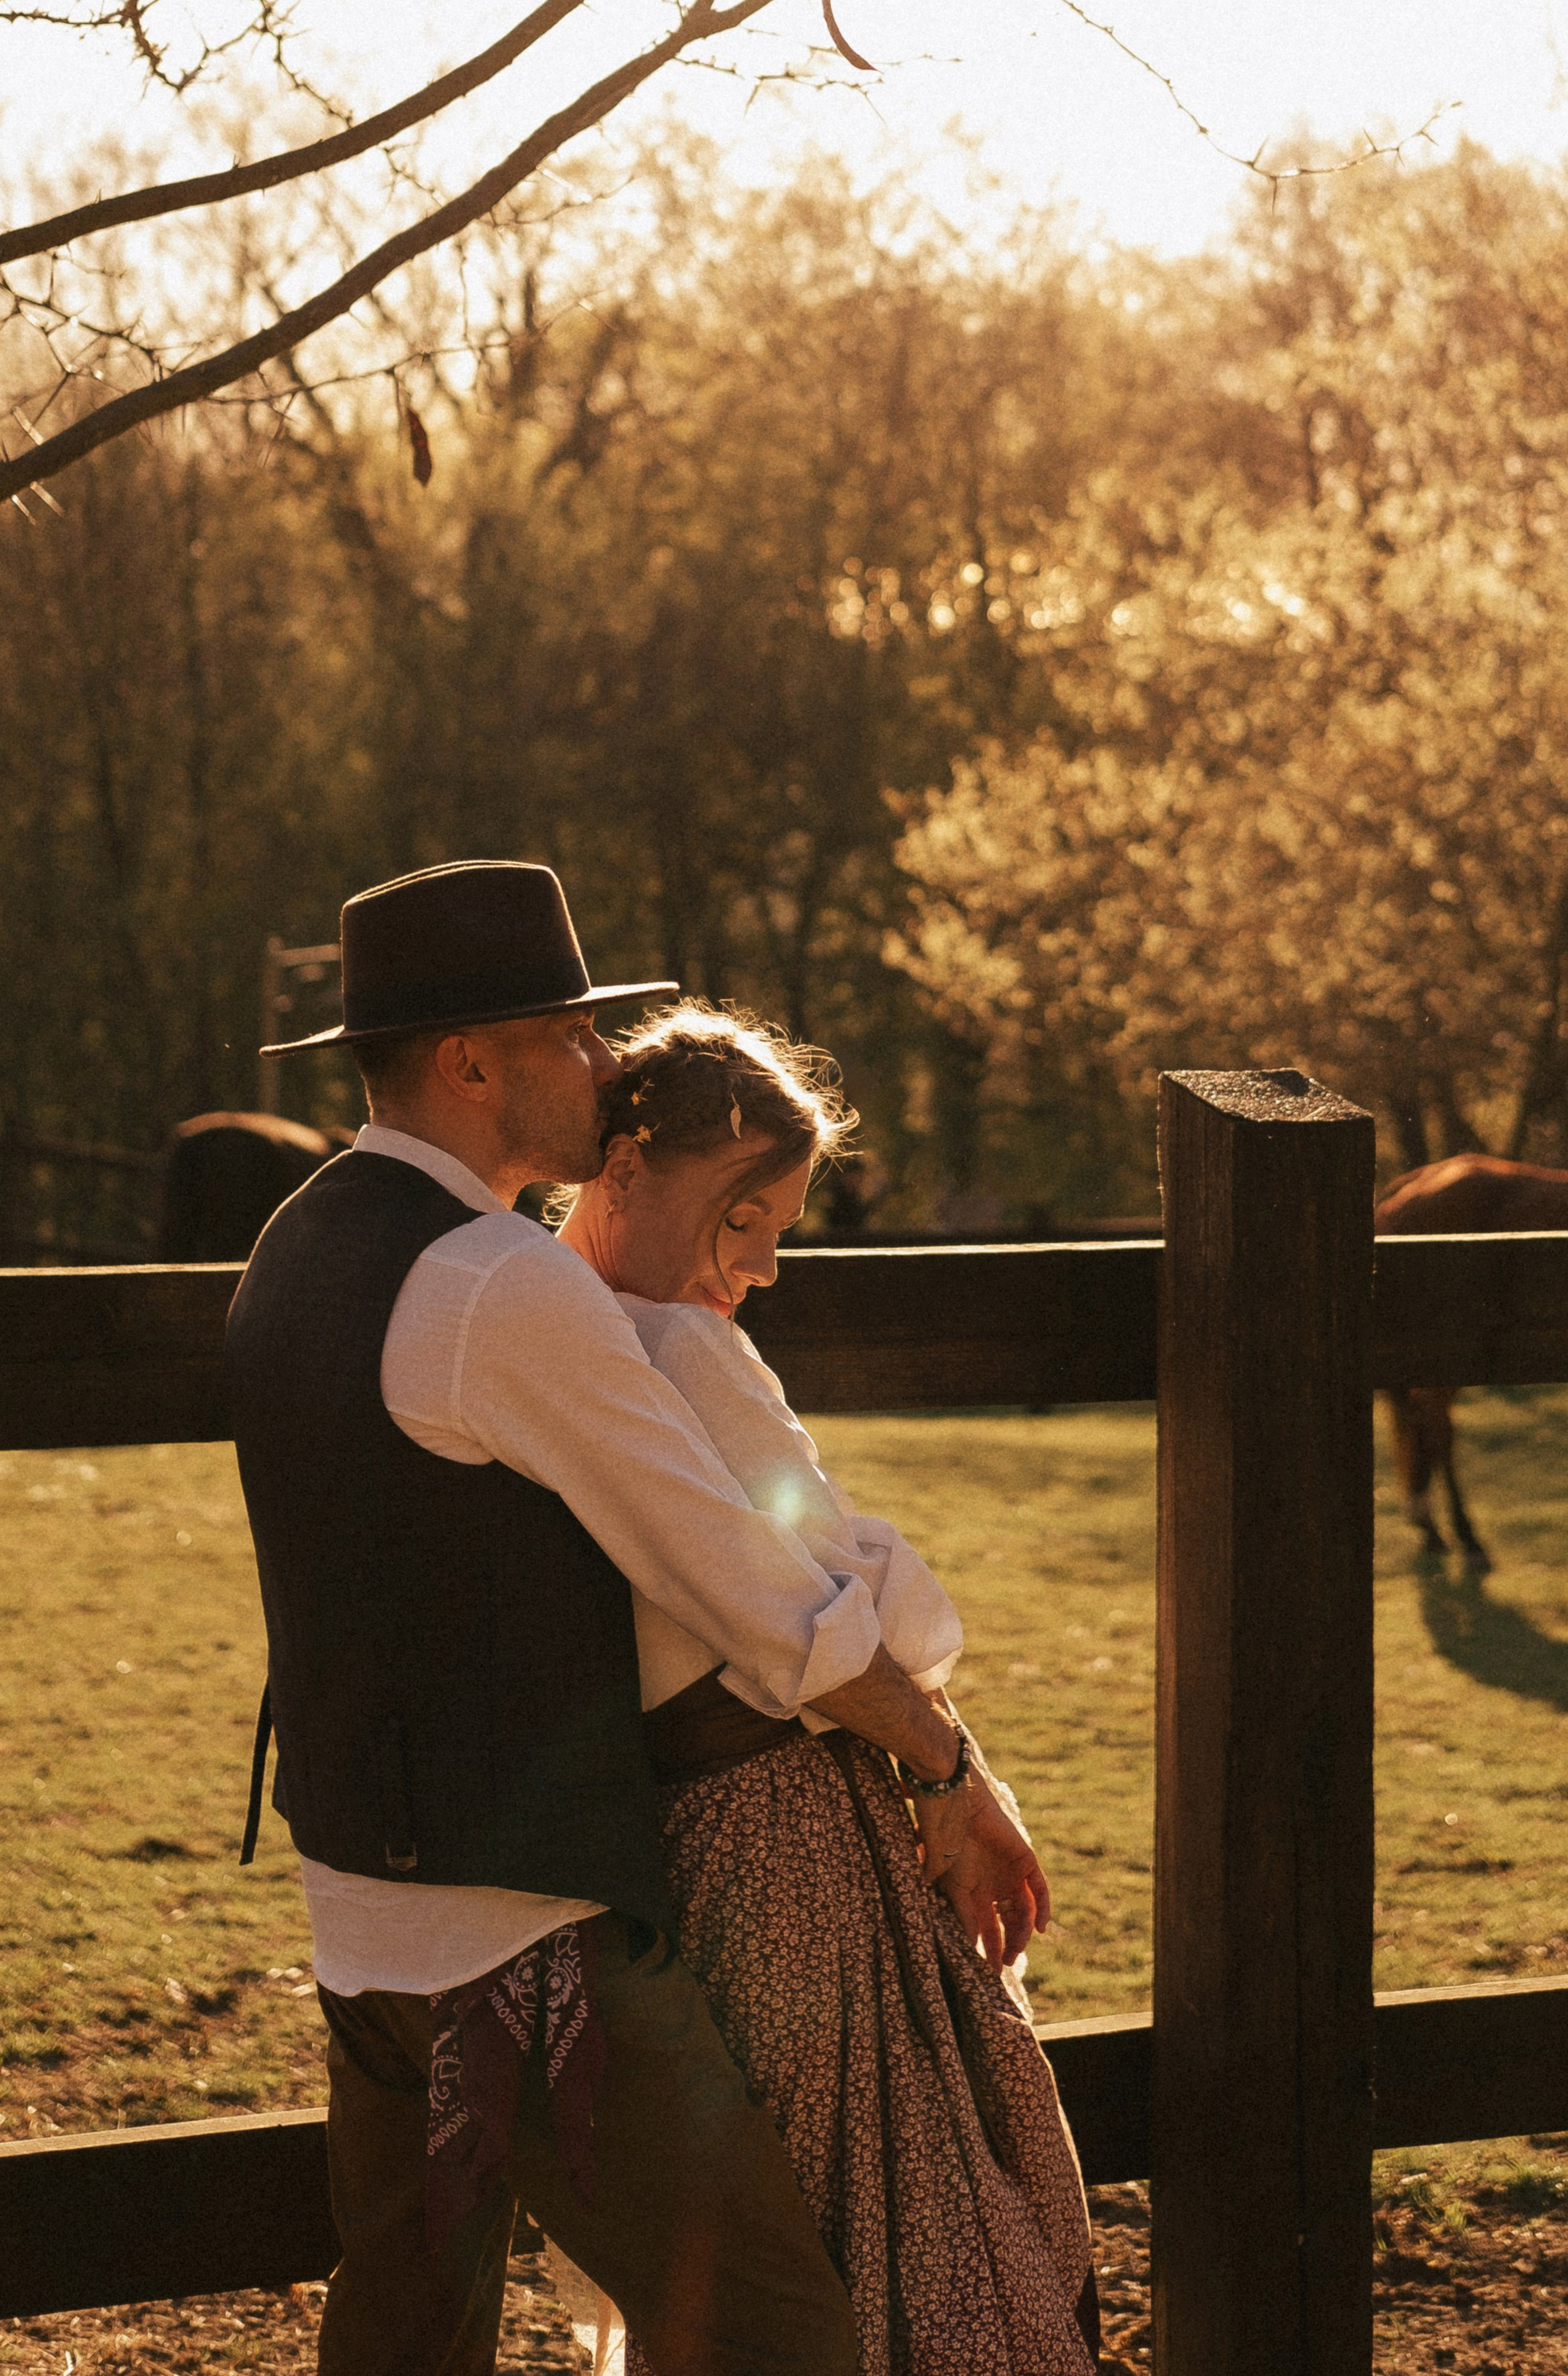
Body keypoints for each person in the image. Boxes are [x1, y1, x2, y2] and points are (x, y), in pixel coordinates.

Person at [228, 859, 1037, 2376]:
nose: (608, 1066)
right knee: (780, 2339)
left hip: (361, 1936)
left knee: (408, 2343)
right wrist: (944, 1764)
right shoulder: (497, 1285)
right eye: (572, 1033)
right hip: (527, 1951)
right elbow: (746, 1580)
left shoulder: (297, 1244)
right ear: (473, 1060)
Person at [550, 1005, 1102, 2376]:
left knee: (773, 2205)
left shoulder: (557, 1328)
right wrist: (941, 1746)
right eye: (743, 1217)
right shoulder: (676, 1350)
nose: (763, 1265)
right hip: (783, 1826)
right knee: (887, 2200)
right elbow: (865, 1599)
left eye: (779, 1227)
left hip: (675, 1829)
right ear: (624, 1171)